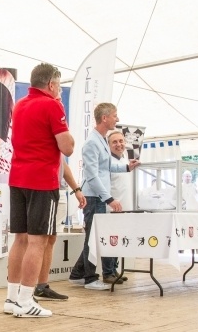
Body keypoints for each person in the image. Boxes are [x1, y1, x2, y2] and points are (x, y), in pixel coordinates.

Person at [5, 63, 74, 318]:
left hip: (18, 178)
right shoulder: (52, 105)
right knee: (38, 241)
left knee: (20, 239)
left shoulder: (20, 104)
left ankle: (12, 298)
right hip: (42, 180)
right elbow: (67, 148)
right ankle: (25, 300)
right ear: (52, 85)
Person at [68, 103, 138, 291]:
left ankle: (77, 274)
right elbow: (92, 175)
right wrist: (109, 198)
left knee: (95, 238)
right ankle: (90, 279)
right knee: (93, 239)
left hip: (98, 198)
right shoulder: (92, 142)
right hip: (94, 198)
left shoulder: (101, 140)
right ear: (105, 118)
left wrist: (126, 167)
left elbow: (106, 167)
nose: (118, 119)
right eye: (115, 116)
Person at [32, 160, 86, 302]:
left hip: (56, 190)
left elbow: (61, 162)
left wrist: (76, 189)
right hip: (40, 188)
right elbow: (68, 147)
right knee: (35, 239)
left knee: (50, 238)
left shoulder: (56, 146)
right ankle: (25, 289)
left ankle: (41, 286)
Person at [101, 130, 132, 284]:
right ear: (108, 145)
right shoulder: (107, 162)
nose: (119, 144)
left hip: (124, 208)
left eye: (121, 141)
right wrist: (110, 201)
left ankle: (113, 269)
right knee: (110, 240)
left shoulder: (125, 160)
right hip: (111, 209)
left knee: (118, 240)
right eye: (115, 142)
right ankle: (108, 273)